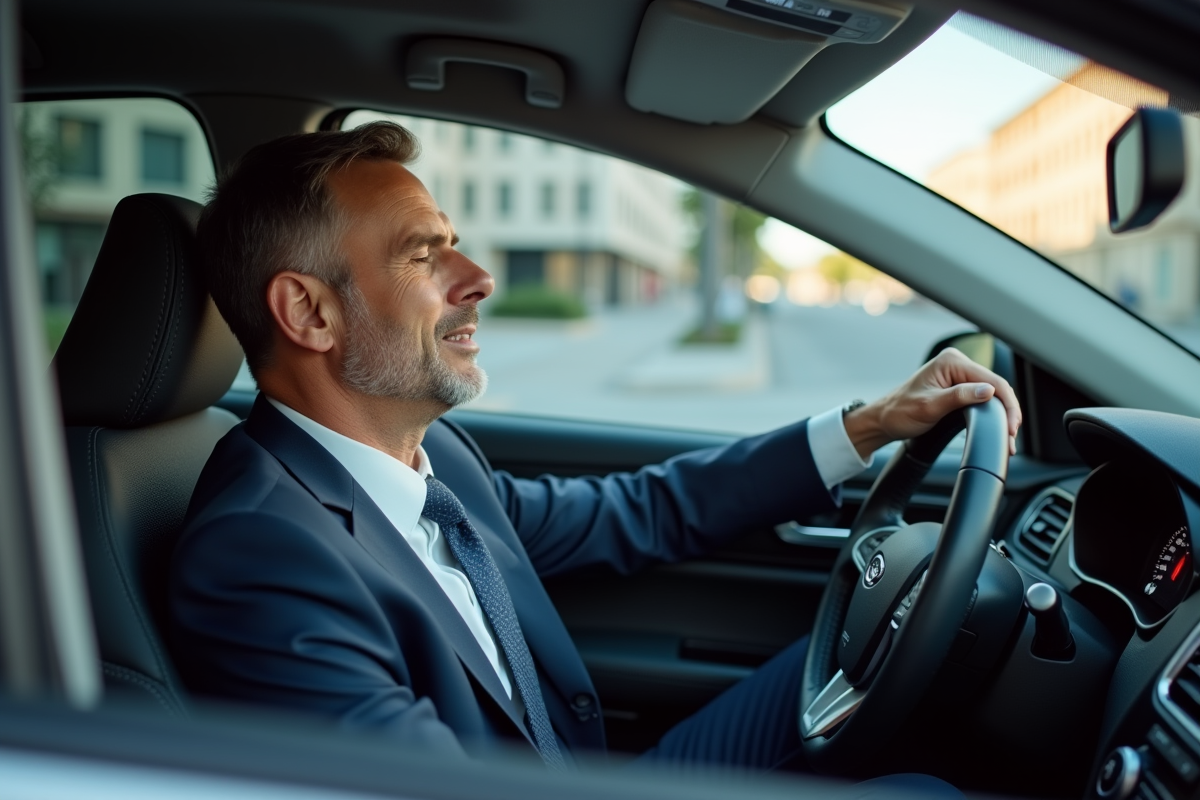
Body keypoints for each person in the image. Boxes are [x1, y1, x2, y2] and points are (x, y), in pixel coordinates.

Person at [169, 122, 1021, 778]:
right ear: (309, 313)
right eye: (423, 255)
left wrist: (871, 425)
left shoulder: (438, 463)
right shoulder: (260, 554)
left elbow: (639, 510)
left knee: (856, 656)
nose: (478, 279)